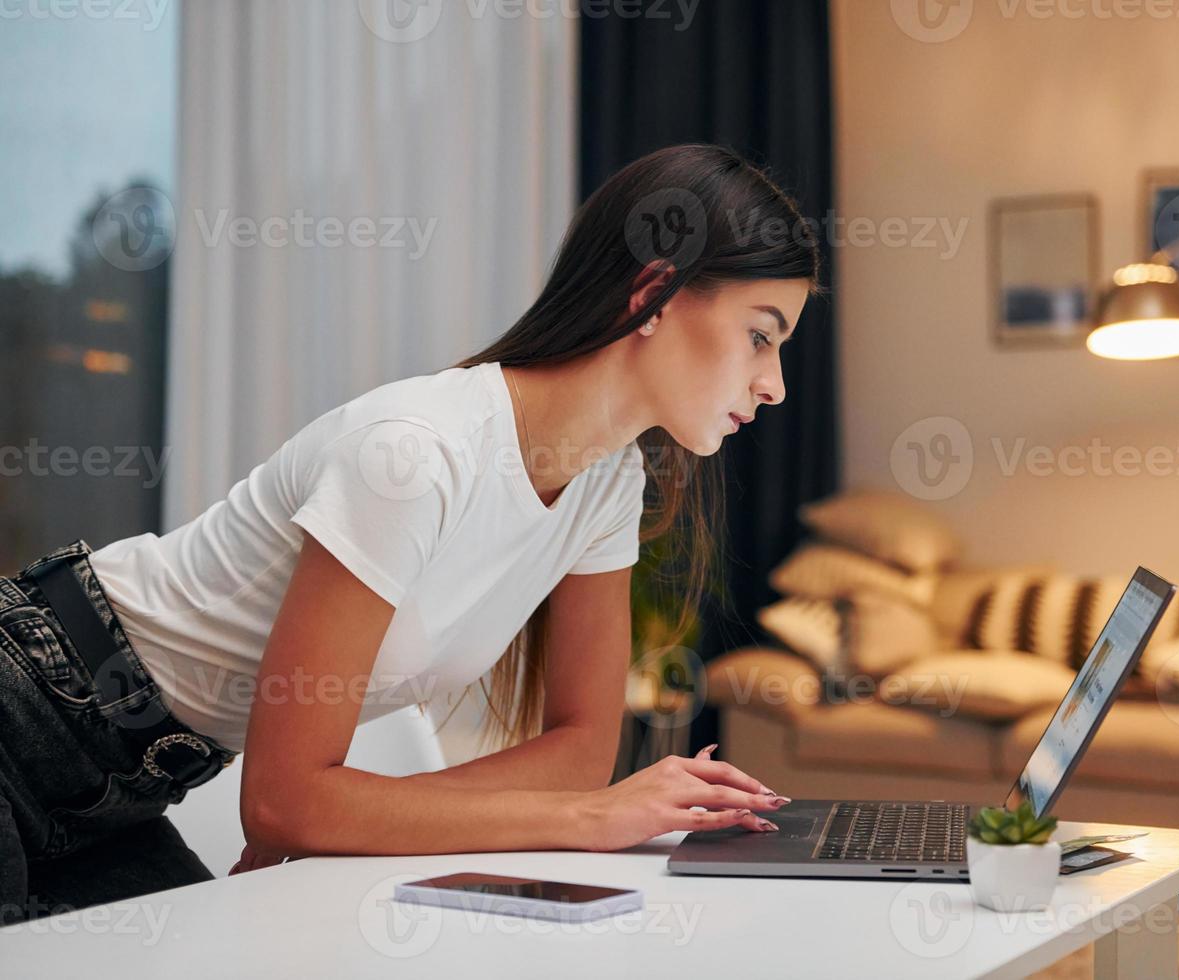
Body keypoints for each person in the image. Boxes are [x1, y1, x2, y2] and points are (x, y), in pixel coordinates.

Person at [0, 142, 822, 923]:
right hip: (25, 703)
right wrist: (587, 817)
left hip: (134, 780)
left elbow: (577, 752)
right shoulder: (413, 455)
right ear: (652, 296)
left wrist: (365, 813)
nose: (775, 385)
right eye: (760, 336)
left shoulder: (608, 483)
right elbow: (286, 804)